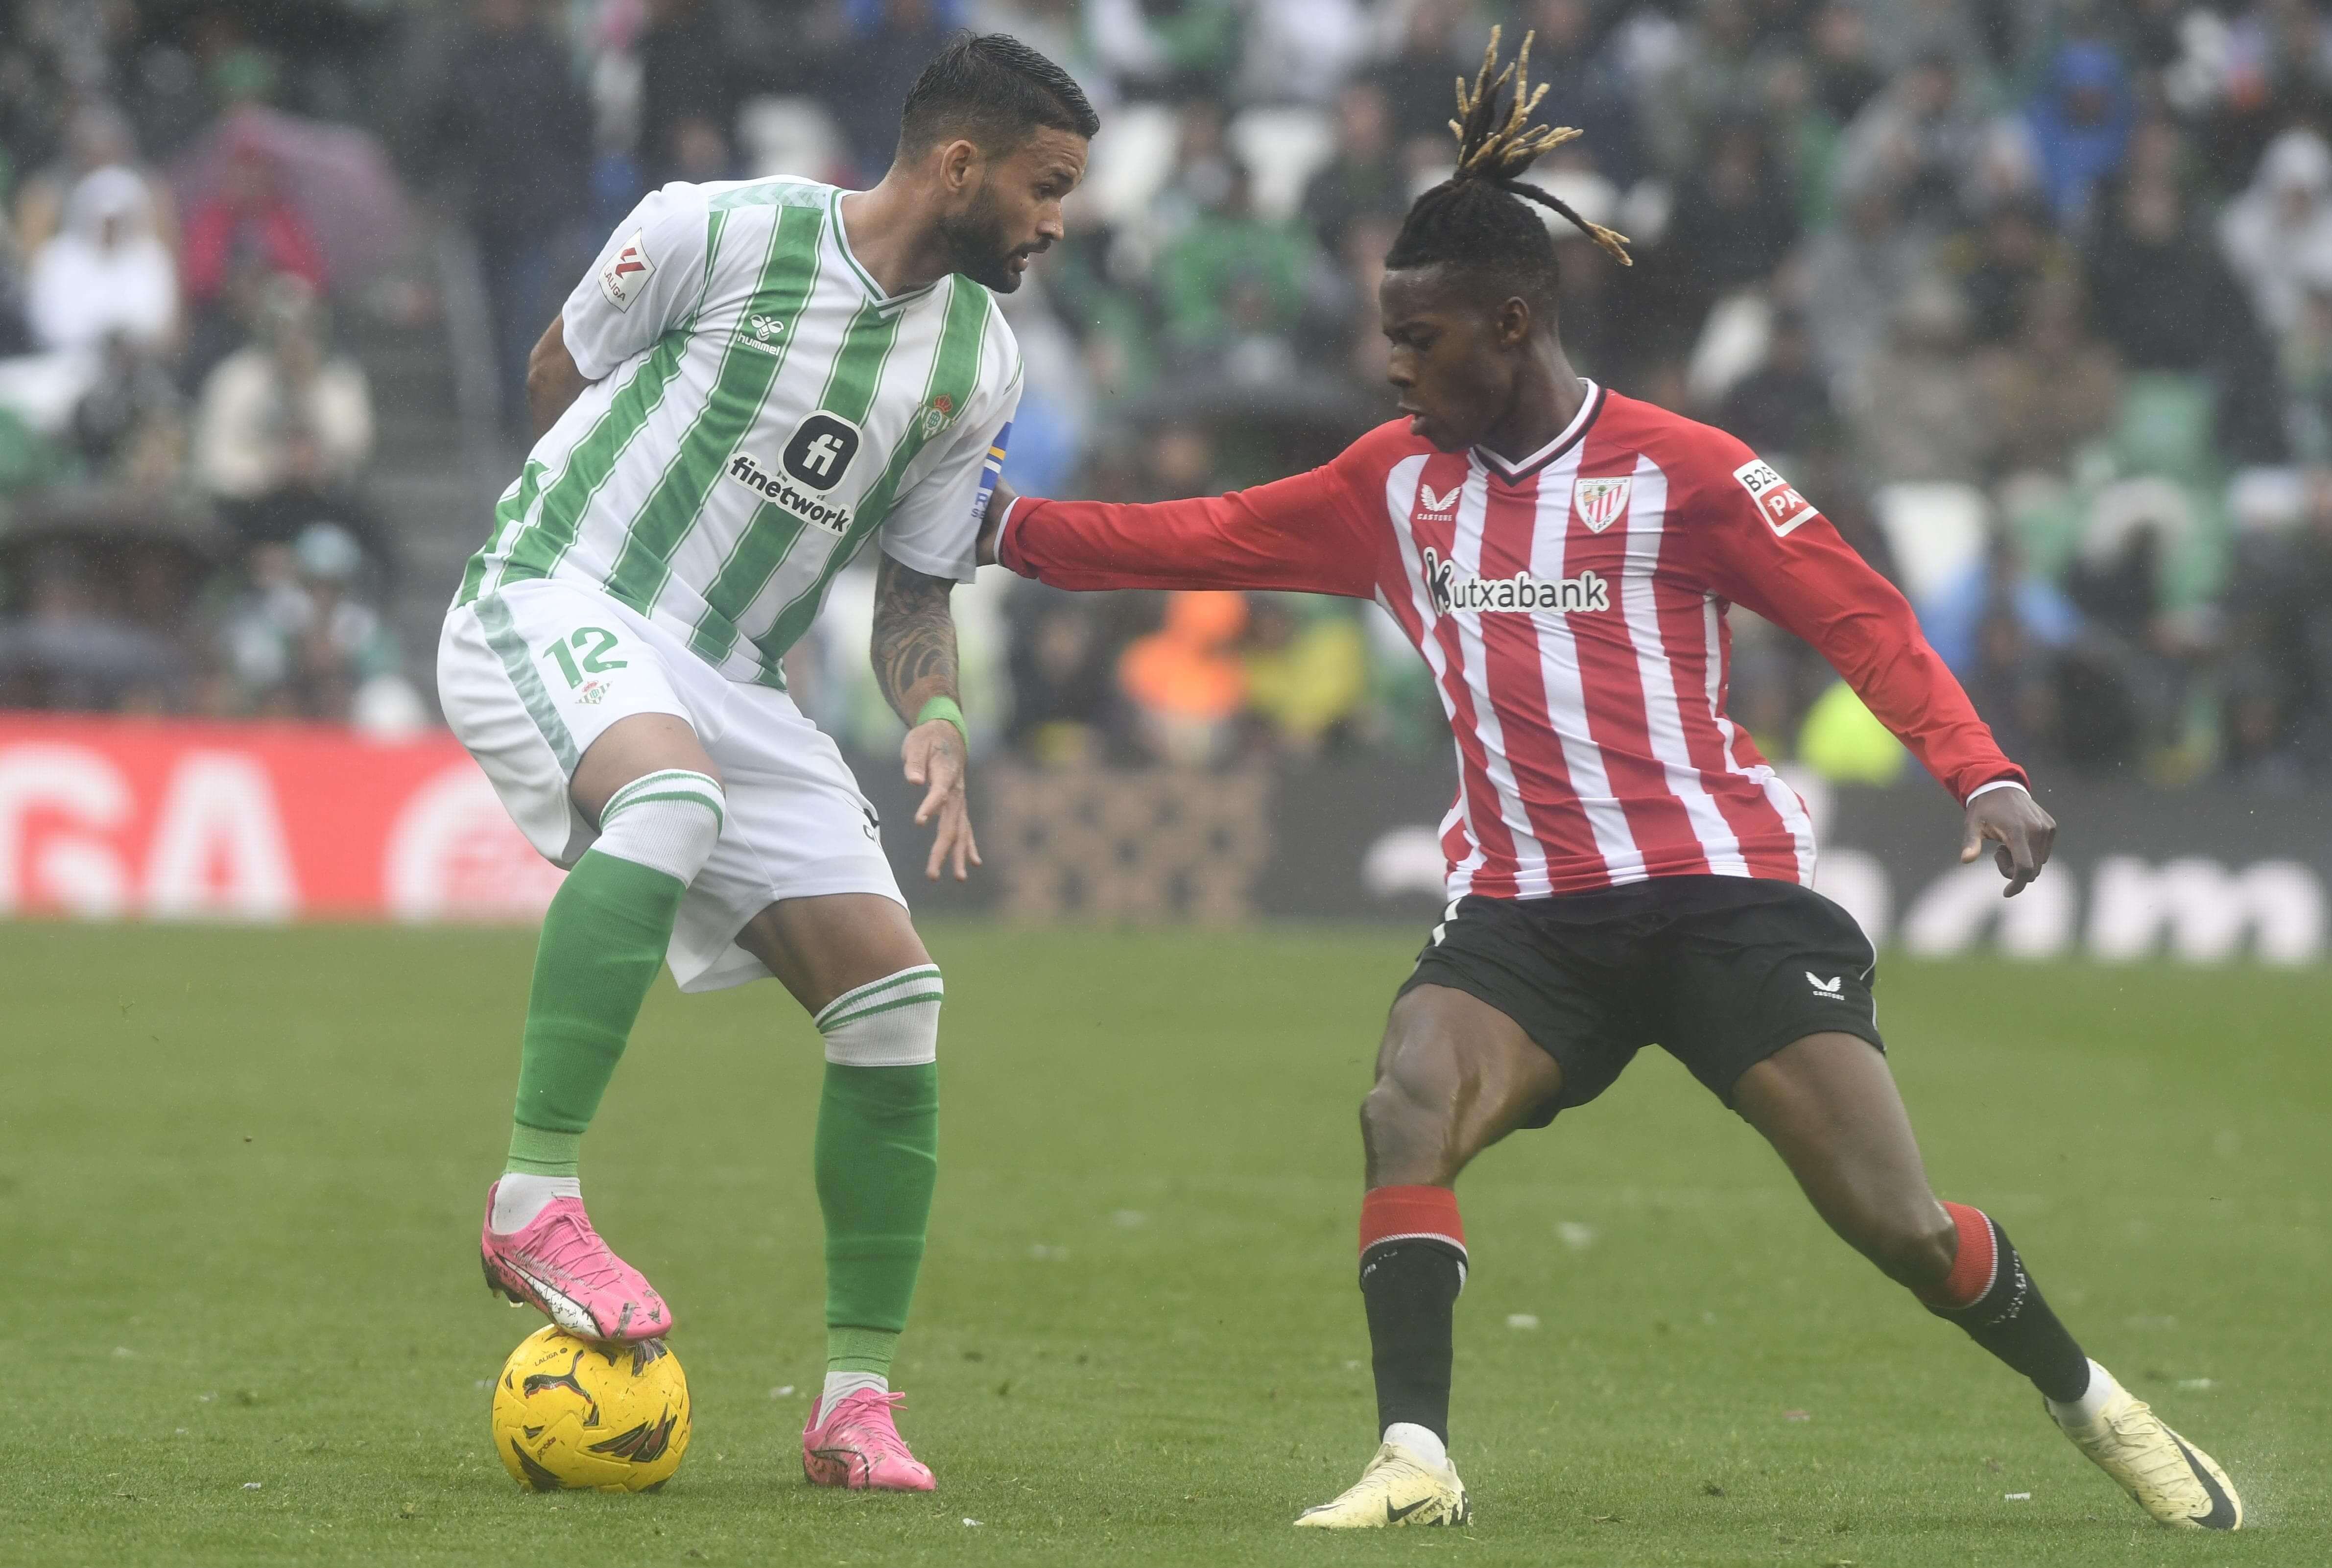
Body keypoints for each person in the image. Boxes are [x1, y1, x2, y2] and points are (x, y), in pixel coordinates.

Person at [982, 29, 2241, 1535]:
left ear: (1512, 322)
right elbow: (1185, 536)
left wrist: (1982, 772)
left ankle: (2092, 1401)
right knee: (1405, 1106)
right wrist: (997, 530)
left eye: (1420, 338)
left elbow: (1862, 616)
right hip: (1525, 913)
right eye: (1389, 336)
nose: (1392, 365)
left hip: (1722, 900)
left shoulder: (1687, 472)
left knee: (1894, 1222)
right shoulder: (1387, 482)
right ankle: (1414, 1459)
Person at [438, 33, 1095, 1491]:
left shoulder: (976, 359)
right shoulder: (712, 227)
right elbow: (564, 370)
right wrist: (573, 551)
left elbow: (915, 588)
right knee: (666, 802)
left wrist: (935, 715)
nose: (1057, 222)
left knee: (894, 1000)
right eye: (1046, 188)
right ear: (959, 164)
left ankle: (854, 1404)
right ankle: (531, 1199)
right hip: (562, 592)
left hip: (737, 676)